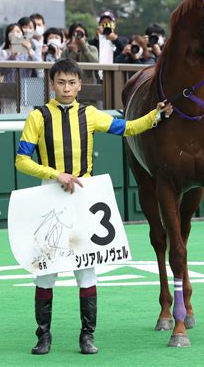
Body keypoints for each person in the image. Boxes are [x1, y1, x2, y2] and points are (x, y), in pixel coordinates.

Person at [15, 58, 173, 355]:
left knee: (86, 272)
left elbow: (127, 128)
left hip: (83, 197)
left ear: (80, 85)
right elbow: (21, 160)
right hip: (49, 195)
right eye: (61, 82)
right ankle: (43, 337)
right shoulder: (37, 117)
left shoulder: (90, 114)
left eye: (72, 82)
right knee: (46, 272)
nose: (66, 88)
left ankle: (87, 337)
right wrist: (55, 174)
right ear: (51, 84)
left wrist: (155, 115)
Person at [0, 23, 42, 113]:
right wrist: (12, 55)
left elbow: (40, 65)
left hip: (25, 92)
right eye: (12, 31)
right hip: (9, 92)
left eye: (18, 31)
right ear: (7, 35)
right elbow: (1, 69)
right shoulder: (3, 52)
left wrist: (29, 50)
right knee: (8, 117)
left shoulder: (28, 53)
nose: (15, 34)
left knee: (26, 118)